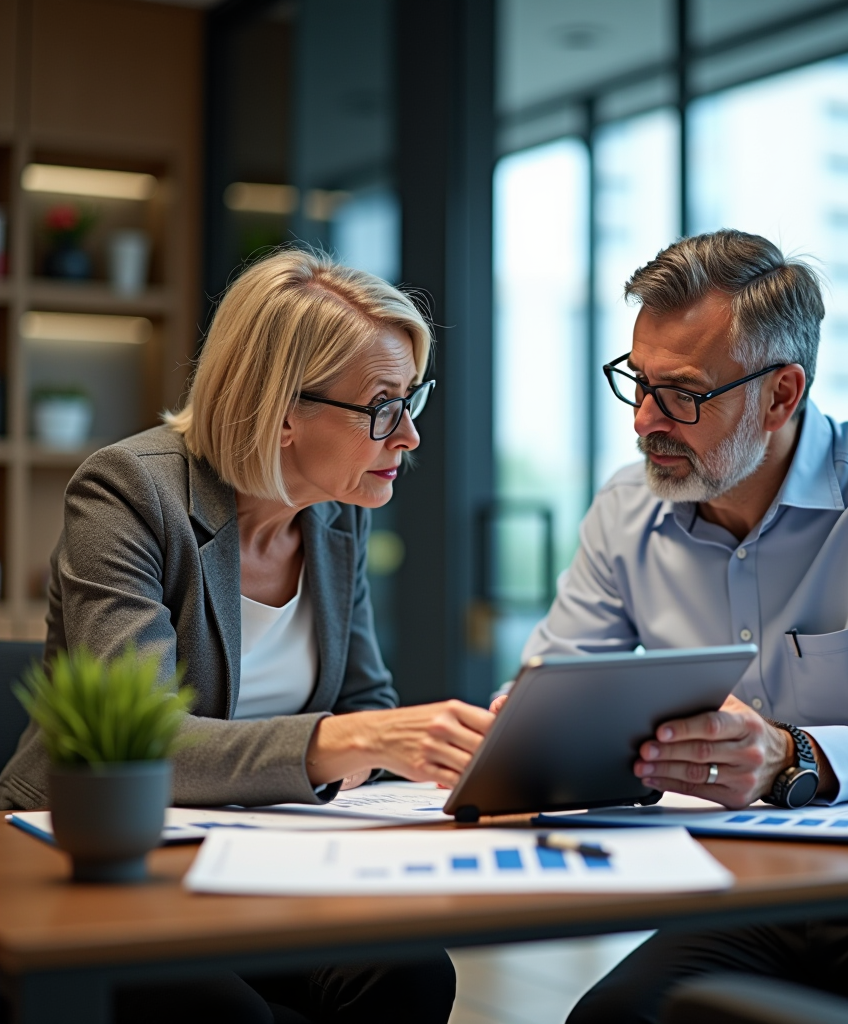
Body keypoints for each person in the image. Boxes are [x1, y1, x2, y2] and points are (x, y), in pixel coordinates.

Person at [511, 231, 848, 1024]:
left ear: (782, 395)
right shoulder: (624, 509)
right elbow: (550, 688)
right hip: (742, 887)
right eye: (636, 384)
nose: (644, 421)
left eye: (682, 394)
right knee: (610, 1019)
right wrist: (520, 731)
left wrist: (794, 754)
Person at [0, 249, 496, 1023]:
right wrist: (352, 740)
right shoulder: (129, 492)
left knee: (409, 973)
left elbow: (366, 700)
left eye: (412, 401)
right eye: (381, 406)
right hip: (106, 866)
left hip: (268, 860)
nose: (409, 437)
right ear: (283, 410)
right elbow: (140, 741)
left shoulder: (336, 516)